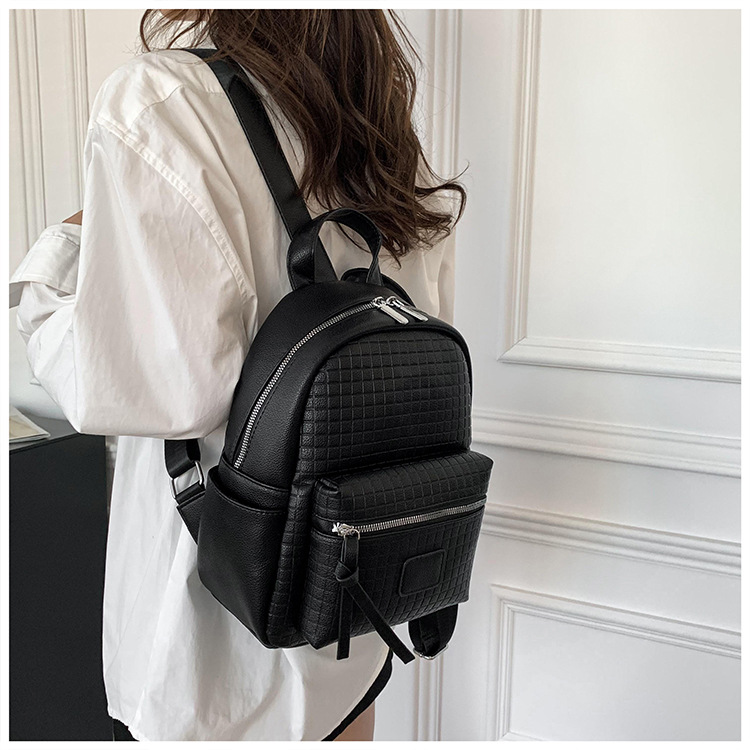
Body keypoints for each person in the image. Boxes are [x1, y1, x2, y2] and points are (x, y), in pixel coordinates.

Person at [10, 9, 465, 742]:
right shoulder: (383, 136)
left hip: (211, 649)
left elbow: (132, 385)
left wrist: (56, 263)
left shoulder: (165, 104)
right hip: (350, 614)